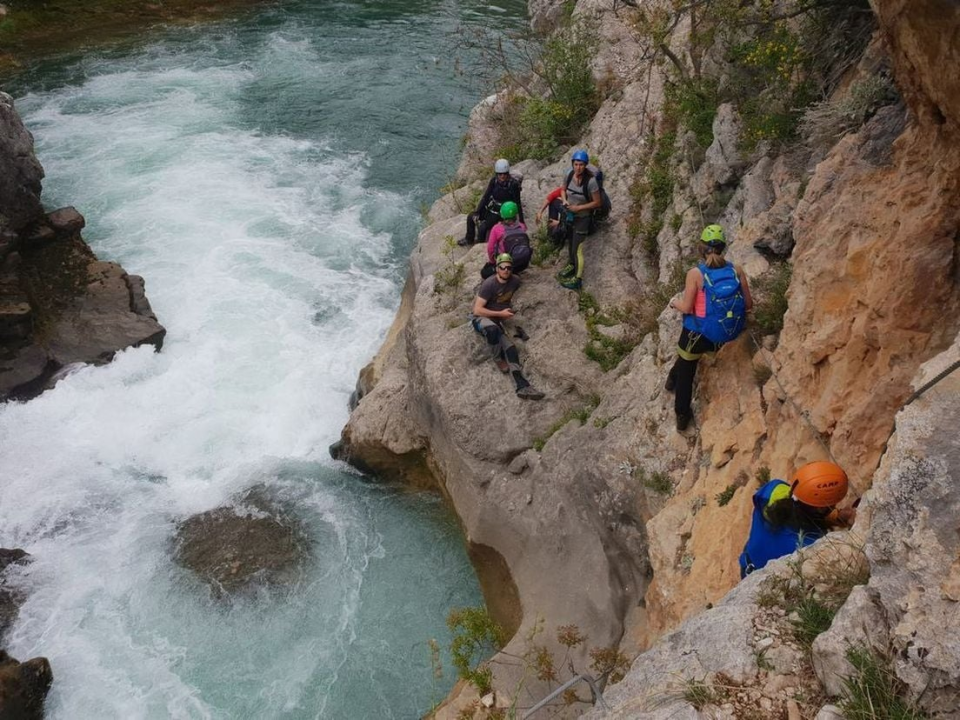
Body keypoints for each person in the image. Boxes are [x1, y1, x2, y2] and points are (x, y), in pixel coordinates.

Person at [666, 224, 753, 431]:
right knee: (685, 358)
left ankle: (681, 415)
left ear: (701, 248)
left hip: (698, 334)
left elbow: (687, 307)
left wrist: (674, 303)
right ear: (723, 247)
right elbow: (748, 305)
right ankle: (671, 378)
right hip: (724, 335)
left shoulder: (696, 274)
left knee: (687, 366)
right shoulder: (736, 270)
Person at [740, 461, 856, 578]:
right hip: (760, 581)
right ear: (822, 509)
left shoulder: (772, 491)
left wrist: (836, 516)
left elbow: (800, 507)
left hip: (748, 564)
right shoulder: (808, 543)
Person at [471, 253, 545, 400]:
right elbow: (477, 310)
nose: (506, 270)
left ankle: (522, 386)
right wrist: (500, 313)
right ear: (497, 268)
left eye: (509, 267)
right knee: (492, 330)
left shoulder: (515, 281)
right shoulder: (489, 284)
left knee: (511, 349)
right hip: (482, 319)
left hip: (499, 321)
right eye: (502, 267)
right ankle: (498, 358)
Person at [558, 149, 602, 291]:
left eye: (581, 165)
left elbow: (597, 203)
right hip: (570, 215)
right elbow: (563, 190)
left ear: (585, 166)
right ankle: (571, 264)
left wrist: (579, 208)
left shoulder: (591, 182)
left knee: (578, 248)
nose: (578, 167)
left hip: (583, 218)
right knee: (571, 242)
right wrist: (565, 200)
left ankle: (578, 279)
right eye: (576, 164)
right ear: (572, 164)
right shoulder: (568, 174)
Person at [459, 158, 524, 247]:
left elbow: (518, 203)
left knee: (483, 228)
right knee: (471, 217)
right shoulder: (494, 181)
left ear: (508, 173)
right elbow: (486, 196)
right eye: (500, 174)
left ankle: (479, 245)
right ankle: (469, 239)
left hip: (502, 212)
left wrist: (521, 221)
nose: (502, 176)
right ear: (497, 174)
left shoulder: (513, 184)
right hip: (492, 207)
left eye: (504, 173)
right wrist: (478, 211)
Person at [482, 201, 531, 279]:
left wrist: (492, 262)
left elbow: (490, 248)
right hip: (522, 264)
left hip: (506, 265)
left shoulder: (497, 228)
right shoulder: (522, 226)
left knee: (484, 272)